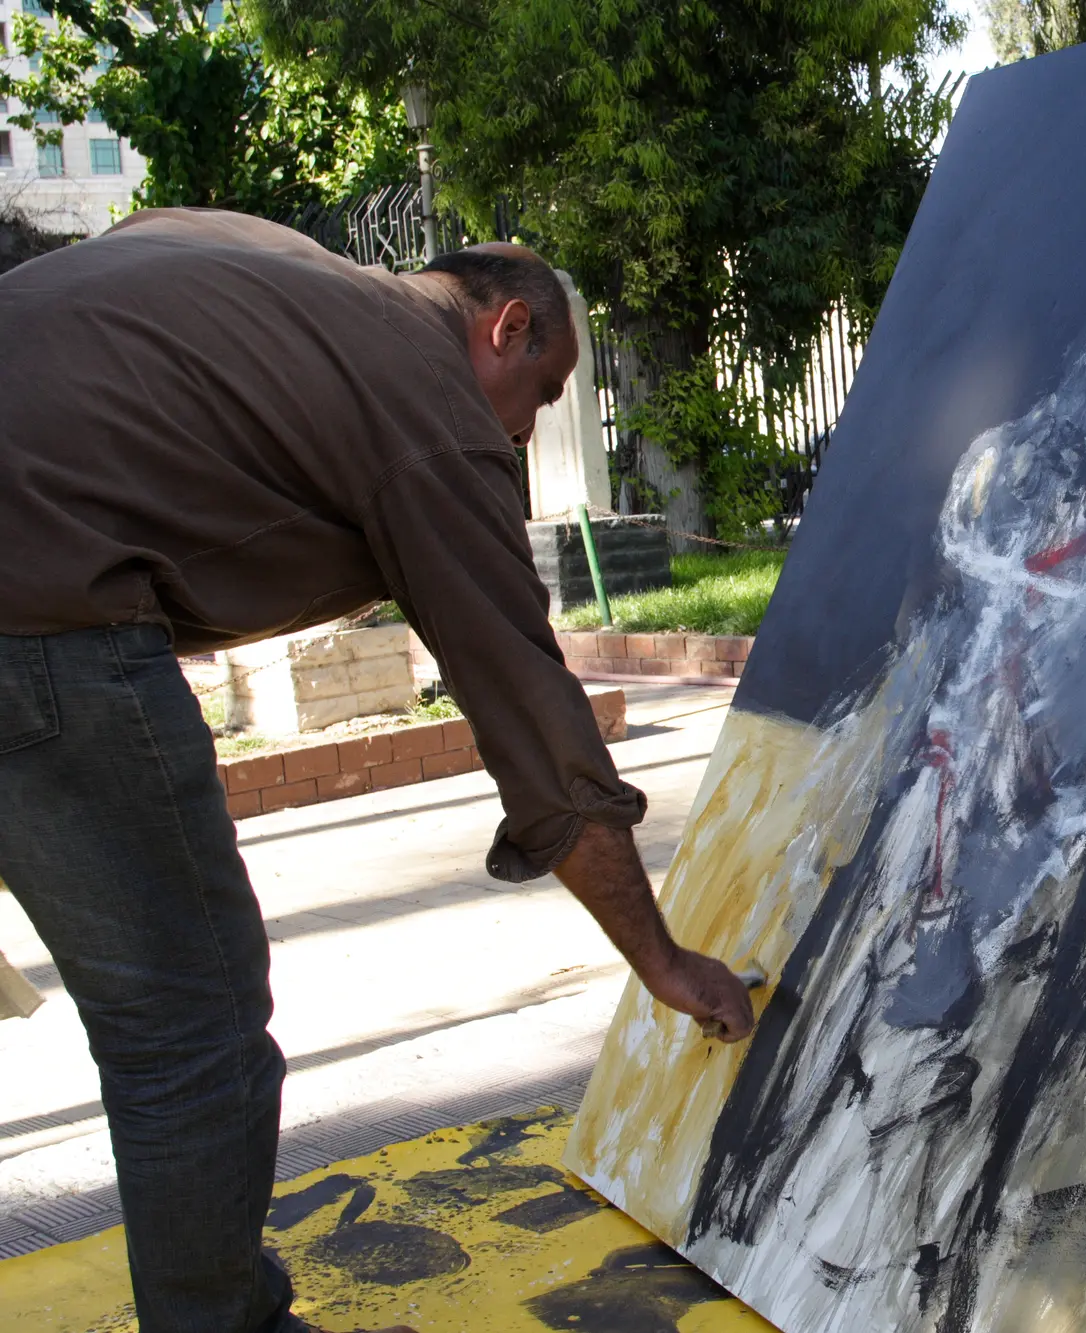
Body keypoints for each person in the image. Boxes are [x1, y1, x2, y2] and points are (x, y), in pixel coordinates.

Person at [0, 208, 755, 1333]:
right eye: (542, 396)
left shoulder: (305, 282)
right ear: (506, 328)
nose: (521, 436)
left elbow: (152, 234)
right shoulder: (434, 409)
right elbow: (529, 708)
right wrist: (660, 957)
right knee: (191, 1028)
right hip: (38, 607)